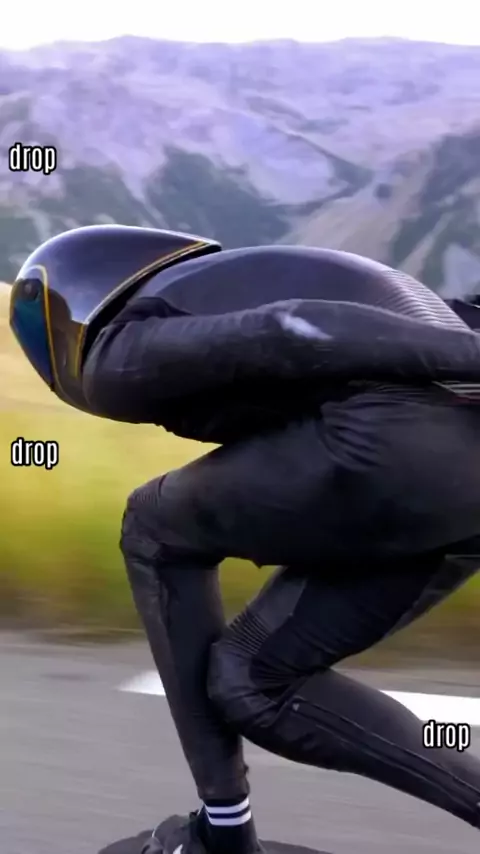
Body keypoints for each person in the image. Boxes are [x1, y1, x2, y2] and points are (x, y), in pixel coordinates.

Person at [9, 224, 480, 854]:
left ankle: (223, 832)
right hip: (455, 488)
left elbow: (290, 329)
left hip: (391, 446)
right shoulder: (223, 285)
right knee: (253, 681)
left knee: (151, 526)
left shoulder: (115, 351)